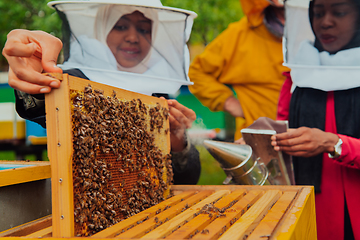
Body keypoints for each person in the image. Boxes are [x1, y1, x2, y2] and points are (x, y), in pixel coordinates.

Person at [2, 0, 200, 185]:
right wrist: (34, 73)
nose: (133, 37)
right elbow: (43, 104)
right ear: (101, 29)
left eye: (144, 29)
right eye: (120, 26)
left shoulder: (159, 95)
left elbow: (187, 179)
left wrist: (180, 142)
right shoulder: (75, 81)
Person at [272, 0, 360, 239]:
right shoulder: (299, 73)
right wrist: (260, 142)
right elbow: (283, 131)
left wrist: (335, 143)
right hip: (309, 205)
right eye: (318, 13)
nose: (325, 22)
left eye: (339, 12)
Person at [188, 0, 289, 141]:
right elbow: (196, 73)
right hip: (259, 143)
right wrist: (228, 102)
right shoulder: (239, 35)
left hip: (312, 142)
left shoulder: (320, 31)